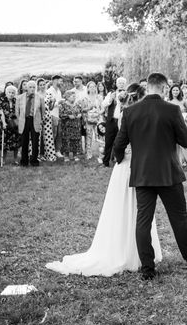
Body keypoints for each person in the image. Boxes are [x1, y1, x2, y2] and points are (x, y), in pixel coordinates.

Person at [46, 84, 164, 277]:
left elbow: (120, 143)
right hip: (137, 165)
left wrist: (119, 157)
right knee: (140, 208)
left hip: (125, 165)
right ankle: (135, 253)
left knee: (128, 207)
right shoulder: (141, 115)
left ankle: (130, 251)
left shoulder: (126, 114)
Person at [113, 75, 187, 279]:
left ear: (149, 87)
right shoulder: (172, 110)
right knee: (179, 219)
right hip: (168, 173)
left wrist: (121, 160)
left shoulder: (130, 111)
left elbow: (118, 145)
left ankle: (147, 270)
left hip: (143, 174)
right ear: (164, 87)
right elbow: (185, 140)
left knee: (143, 221)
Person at [15, 80, 45, 167]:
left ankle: (34, 160)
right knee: (24, 141)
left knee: (35, 142)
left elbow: (43, 111)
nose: (32, 89)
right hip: (24, 121)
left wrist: (40, 120)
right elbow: (17, 112)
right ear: (26, 88)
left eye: (34, 87)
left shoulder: (40, 97)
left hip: (35, 120)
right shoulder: (20, 97)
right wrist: (20, 120)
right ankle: (24, 161)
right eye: (30, 87)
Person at [102, 76, 127, 167]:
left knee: (120, 141)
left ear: (125, 85)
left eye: (123, 83)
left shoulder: (127, 94)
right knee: (108, 141)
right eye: (119, 83)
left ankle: (119, 161)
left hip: (122, 121)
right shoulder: (111, 93)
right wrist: (111, 99)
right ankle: (105, 161)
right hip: (111, 120)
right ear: (116, 84)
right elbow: (103, 104)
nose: (121, 84)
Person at [0, 85, 20, 164]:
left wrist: (18, 122)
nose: (11, 94)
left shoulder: (15, 100)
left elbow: (17, 112)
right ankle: (3, 160)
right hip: (5, 122)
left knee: (16, 142)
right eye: (9, 92)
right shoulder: (2, 100)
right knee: (5, 142)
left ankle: (15, 159)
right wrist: (3, 122)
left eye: (13, 93)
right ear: (6, 93)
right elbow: (1, 112)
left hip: (14, 123)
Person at [59, 90, 83, 162]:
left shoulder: (77, 105)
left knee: (75, 140)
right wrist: (68, 116)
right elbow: (60, 114)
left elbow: (80, 111)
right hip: (67, 127)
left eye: (74, 96)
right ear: (68, 97)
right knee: (67, 140)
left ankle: (75, 155)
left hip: (76, 126)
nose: (74, 98)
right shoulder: (63, 105)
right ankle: (66, 156)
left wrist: (80, 115)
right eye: (73, 96)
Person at [84, 81, 103, 161]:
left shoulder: (99, 97)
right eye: (91, 87)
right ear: (88, 88)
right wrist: (89, 108)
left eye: (94, 86)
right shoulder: (85, 98)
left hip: (98, 119)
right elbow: (83, 110)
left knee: (99, 137)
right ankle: (88, 154)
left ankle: (101, 154)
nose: (92, 88)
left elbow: (103, 109)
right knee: (88, 137)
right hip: (88, 120)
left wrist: (99, 113)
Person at [46, 75, 64, 158]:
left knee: (59, 134)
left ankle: (57, 151)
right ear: (54, 81)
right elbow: (49, 105)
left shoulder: (59, 91)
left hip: (58, 115)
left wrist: (60, 104)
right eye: (60, 81)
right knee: (53, 134)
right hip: (52, 115)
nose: (61, 82)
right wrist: (58, 103)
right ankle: (50, 151)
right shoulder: (49, 91)